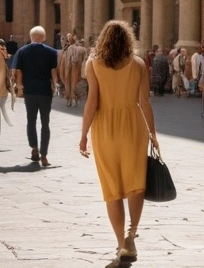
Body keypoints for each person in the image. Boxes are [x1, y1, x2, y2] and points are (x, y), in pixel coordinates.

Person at [79, 20, 158, 268]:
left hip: (105, 127)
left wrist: (83, 134)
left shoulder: (93, 63)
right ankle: (131, 235)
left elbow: (92, 101)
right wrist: (153, 134)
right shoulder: (139, 64)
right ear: (128, 40)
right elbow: (145, 102)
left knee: (112, 189)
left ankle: (120, 244)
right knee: (136, 184)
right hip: (134, 126)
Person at [13, 26, 59, 166]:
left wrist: (19, 86)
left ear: (30, 36)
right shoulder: (51, 52)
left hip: (30, 91)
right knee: (45, 123)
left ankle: (34, 148)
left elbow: (18, 71)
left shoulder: (22, 51)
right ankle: (44, 155)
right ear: (43, 38)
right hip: (45, 91)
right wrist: (55, 84)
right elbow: (53, 71)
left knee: (31, 120)